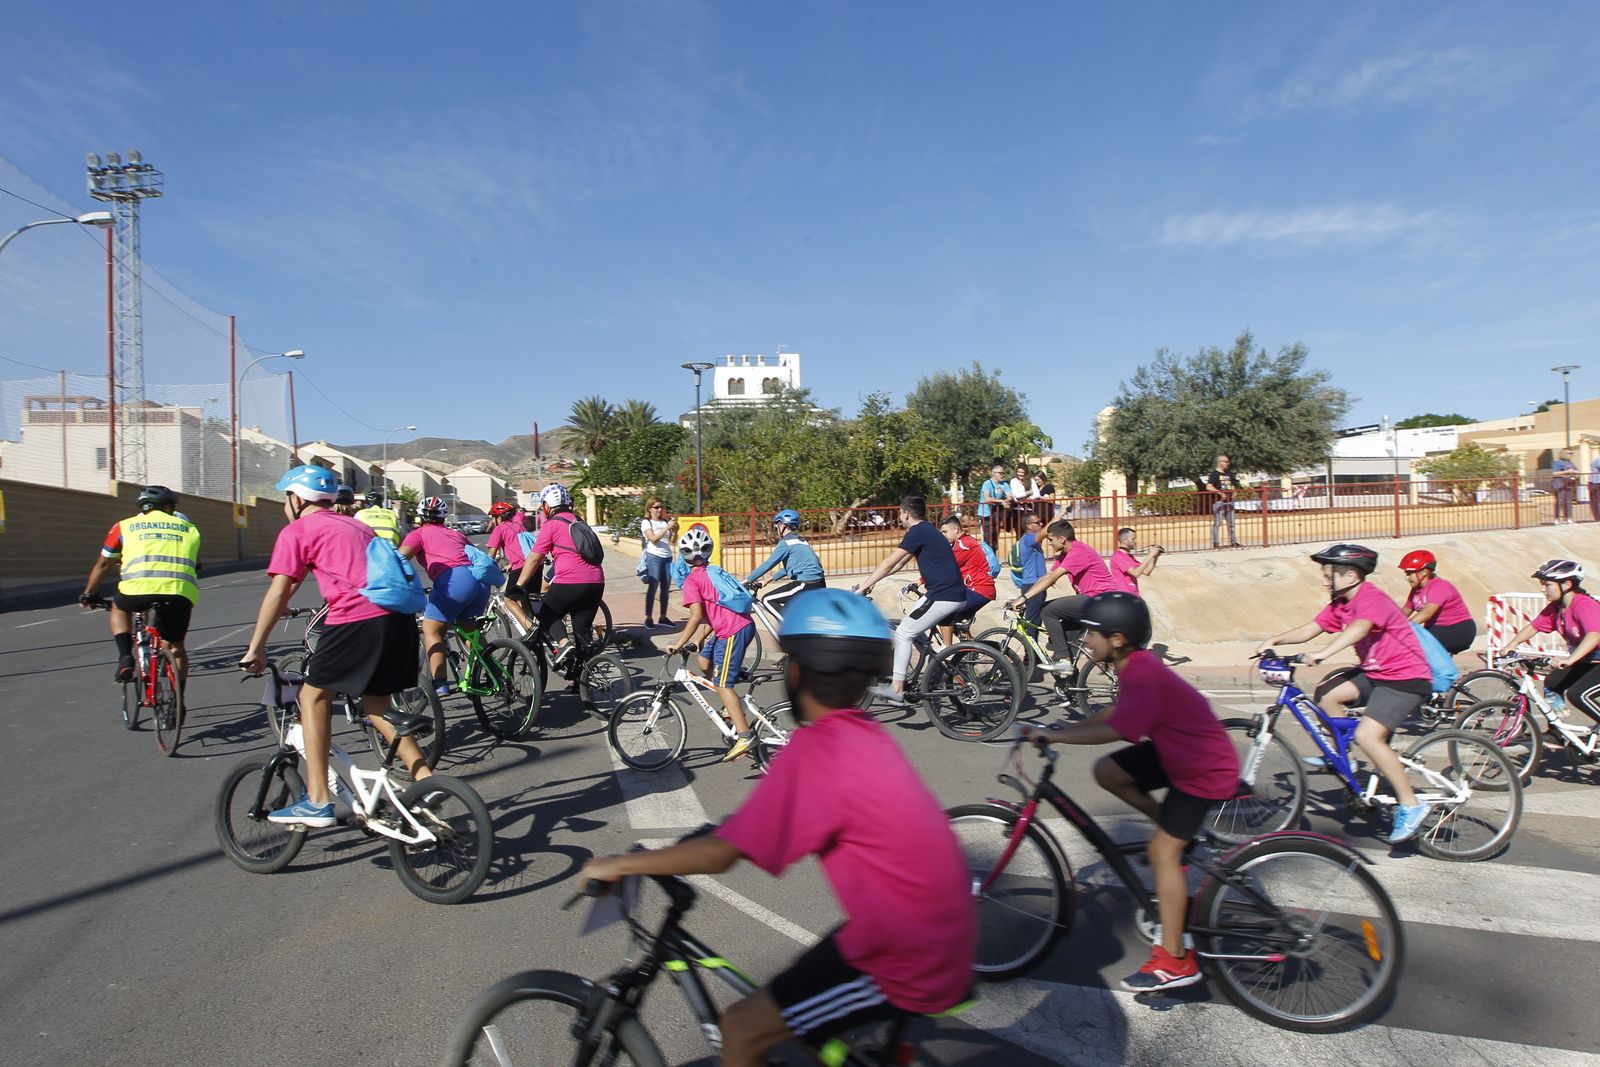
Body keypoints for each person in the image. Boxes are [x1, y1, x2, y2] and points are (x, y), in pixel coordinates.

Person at [580, 589, 974, 1067]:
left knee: (743, 1030)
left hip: (907, 955)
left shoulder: (816, 752)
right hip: (923, 926)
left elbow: (723, 854)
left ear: (798, 670)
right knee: (797, 995)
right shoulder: (860, 734)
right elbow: (763, 823)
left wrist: (626, 862)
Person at [1023, 591, 1238, 992]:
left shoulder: (1141, 671)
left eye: (1091, 634)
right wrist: (1057, 731)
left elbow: (1117, 729)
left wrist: (1060, 738)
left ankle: (1175, 960)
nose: (1085, 640)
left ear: (1117, 639)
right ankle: (1175, 835)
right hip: (1180, 754)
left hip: (1201, 769)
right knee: (1109, 771)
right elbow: (1113, 714)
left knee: (1161, 853)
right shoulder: (1133, 666)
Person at [238, 465, 434, 824]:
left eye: (287, 497)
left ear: (296, 499)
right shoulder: (357, 524)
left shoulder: (298, 530)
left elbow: (280, 590)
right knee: (376, 703)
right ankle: (427, 781)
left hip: (356, 621)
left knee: (311, 697)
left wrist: (256, 648)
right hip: (399, 621)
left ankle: (317, 800)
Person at [1256, 543, 1434, 844]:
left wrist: (1323, 654)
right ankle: (1345, 759)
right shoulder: (1340, 603)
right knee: (1326, 694)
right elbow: (1311, 628)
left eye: (1330, 575)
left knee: (1368, 736)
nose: (1325, 581)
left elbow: (1361, 629)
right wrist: (1274, 639)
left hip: (1406, 678)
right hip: (1376, 673)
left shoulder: (1371, 598)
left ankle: (1412, 805)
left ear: (1351, 576)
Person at [80, 485, 201, 687]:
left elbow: (103, 564)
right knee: (177, 648)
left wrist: (88, 594)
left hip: (135, 591)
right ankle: (177, 704)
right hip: (179, 592)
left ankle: (125, 656)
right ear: (169, 507)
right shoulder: (190, 528)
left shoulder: (124, 526)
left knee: (118, 607)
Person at [856, 495, 968, 705]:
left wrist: (862, 588)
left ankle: (897, 689)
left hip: (943, 595)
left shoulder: (918, 531)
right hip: (947, 594)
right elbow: (898, 565)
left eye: (899, 513)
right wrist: (872, 582)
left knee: (904, 632)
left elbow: (890, 561)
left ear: (906, 513)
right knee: (914, 629)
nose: (899, 517)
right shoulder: (927, 531)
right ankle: (933, 669)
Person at [668, 527, 760, 761]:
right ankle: (729, 704)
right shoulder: (713, 570)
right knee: (703, 659)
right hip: (740, 625)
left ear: (684, 557)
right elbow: (716, 609)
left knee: (722, 684)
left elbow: (697, 615)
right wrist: (699, 638)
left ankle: (745, 735)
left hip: (732, 631)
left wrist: (679, 643)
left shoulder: (691, 580)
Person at [400, 495, 492, 695]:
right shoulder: (455, 534)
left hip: (454, 581)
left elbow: (400, 558)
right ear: (444, 516)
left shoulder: (419, 534)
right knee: (468, 628)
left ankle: (440, 684)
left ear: (420, 517)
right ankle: (494, 672)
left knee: (432, 630)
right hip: (479, 582)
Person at [514, 484, 606, 664]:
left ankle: (564, 643)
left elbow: (534, 559)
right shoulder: (579, 521)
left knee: (546, 614)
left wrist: (519, 586)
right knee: (582, 631)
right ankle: (581, 679)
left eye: (543, 506)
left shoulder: (551, 525)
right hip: (597, 581)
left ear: (548, 505)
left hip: (570, 581)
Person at [1010, 519, 1117, 673]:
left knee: (1047, 611)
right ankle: (1071, 685)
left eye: (1050, 540)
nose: (1049, 544)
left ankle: (1065, 660)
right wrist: (1023, 596)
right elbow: (1047, 576)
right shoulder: (1065, 554)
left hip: (1100, 600)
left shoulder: (1078, 551)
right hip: (1093, 600)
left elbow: (1053, 578)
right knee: (1065, 634)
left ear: (1062, 539)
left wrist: (1024, 598)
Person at [1498, 559, 1600, 721]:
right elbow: (1534, 627)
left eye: (1547, 584)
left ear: (1566, 585)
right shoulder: (1557, 608)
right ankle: (1557, 734)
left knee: (1579, 694)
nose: (1543, 589)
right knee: (1552, 684)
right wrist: (1511, 645)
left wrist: (1570, 659)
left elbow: (1594, 635)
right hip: (1590, 660)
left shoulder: (1583, 605)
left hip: (1593, 658)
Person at [746, 508, 826, 616]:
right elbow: (788, 568)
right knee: (789, 610)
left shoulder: (786, 543)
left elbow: (768, 564)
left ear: (782, 525)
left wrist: (746, 581)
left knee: (767, 600)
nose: (777, 529)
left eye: (777, 526)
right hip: (818, 583)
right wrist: (767, 580)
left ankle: (790, 629)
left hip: (805, 585)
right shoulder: (801, 541)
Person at [1398, 549, 1476, 656]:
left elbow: (1427, 613)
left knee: (1412, 649)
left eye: (1409, 573)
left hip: (1457, 629)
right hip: (1436, 629)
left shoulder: (1439, 586)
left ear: (1424, 572)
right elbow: (1403, 612)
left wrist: (1405, 629)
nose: (1407, 578)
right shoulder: (1416, 591)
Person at [936, 514, 996, 646]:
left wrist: (921, 581)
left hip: (979, 589)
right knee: (956, 624)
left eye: (945, 532)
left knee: (944, 615)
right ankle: (970, 649)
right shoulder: (961, 543)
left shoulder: (964, 544)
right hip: (975, 589)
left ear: (956, 530)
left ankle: (947, 652)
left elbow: (947, 566)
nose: (943, 535)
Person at [486, 500, 533, 629]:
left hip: (521, 569)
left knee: (509, 600)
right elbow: (523, 549)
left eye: (493, 518)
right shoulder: (519, 525)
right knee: (523, 597)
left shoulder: (499, 529)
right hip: (532, 566)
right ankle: (529, 625)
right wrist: (510, 565)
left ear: (499, 518)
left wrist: (484, 569)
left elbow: (491, 555)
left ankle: (530, 628)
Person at [639, 498, 677, 628]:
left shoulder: (664, 521)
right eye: (656, 507)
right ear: (650, 508)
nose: (659, 509)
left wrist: (675, 530)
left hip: (667, 557)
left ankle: (663, 616)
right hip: (654, 557)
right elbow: (653, 539)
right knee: (653, 587)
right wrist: (666, 528)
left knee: (665, 589)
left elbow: (672, 540)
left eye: (661, 507)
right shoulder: (646, 522)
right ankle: (648, 617)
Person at [1010, 514, 1048, 625]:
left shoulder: (1033, 541)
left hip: (1035, 584)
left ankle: (1031, 641)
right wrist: (1060, 514)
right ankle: (1029, 642)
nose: (1041, 524)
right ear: (1029, 526)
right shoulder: (1028, 538)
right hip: (1032, 585)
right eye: (1038, 522)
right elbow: (1046, 531)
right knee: (1032, 622)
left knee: (1036, 620)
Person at [1109, 527, 1164, 595]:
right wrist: (1149, 555)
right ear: (1124, 540)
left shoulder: (1129, 556)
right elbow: (1136, 573)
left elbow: (1147, 572)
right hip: (1124, 596)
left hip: (1134, 595)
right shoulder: (1118, 556)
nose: (1136, 541)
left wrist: (1154, 557)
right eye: (1133, 539)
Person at [1207, 454, 1241, 549]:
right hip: (1219, 502)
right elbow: (1209, 486)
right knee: (1217, 523)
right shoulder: (1214, 474)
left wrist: (1234, 491)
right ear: (1220, 462)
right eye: (1226, 462)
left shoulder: (1229, 474)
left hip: (1230, 502)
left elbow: (1233, 484)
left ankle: (1233, 541)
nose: (1228, 463)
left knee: (1231, 523)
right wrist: (1219, 492)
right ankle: (1216, 542)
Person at [976, 464, 1011, 551]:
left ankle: (993, 557)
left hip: (996, 514)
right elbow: (987, 498)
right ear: (994, 473)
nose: (1003, 475)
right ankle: (987, 557)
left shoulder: (1004, 484)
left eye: (1003, 473)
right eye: (1000, 473)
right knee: (987, 536)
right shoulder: (987, 483)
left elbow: (1010, 495)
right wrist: (1002, 501)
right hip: (985, 514)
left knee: (995, 536)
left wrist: (1007, 500)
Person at [1008, 463, 1042, 534]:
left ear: (1026, 472)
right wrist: (1029, 492)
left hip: (1029, 509)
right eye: (1018, 472)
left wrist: (1028, 499)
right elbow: (1017, 495)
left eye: (1022, 472)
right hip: (1017, 510)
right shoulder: (1013, 481)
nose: (1020, 474)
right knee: (1019, 531)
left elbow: (1037, 494)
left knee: (1030, 531)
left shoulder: (1031, 481)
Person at [1552, 450, 1578, 525]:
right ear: (1563, 454)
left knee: (1568, 502)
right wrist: (1566, 472)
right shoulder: (1558, 462)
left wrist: (1575, 473)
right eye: (1569, 453)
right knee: (1560, 502)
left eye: (1571, 453)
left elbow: (1576, 471)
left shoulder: (1570, 463)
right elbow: (1554, 473)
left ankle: (1568, 518)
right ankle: (1556, 518)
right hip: (1559, 485)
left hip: (1568, 485)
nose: (1571, 454)